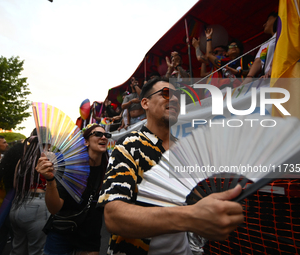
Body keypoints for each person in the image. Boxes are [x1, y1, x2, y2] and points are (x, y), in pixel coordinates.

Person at [97, 76, 244, 255]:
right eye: (166, 93)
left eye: (176, 96)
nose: (174, 99)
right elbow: (114, 217)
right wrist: (191, 216)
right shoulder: (129, 145)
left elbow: (196, 198)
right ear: (145, 103)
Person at [36, 123, 110, 255]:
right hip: (62, 233)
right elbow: (54, 208)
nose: (104, 137)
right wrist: (50, 180)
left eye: (106, 135)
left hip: (90, 236)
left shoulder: (109, 170)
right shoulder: (72, 168)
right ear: (86, 142)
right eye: (98, 134)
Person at [9, 132, 49, 255]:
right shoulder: (47, 160)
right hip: (38, 206)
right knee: (37, 250)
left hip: (17, 205)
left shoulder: (22, 160)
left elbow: (16, 185)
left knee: (17, 249)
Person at [242, 12, 278, 84]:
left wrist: (273, 68)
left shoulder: (286, 32)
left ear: (276, 18)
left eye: (267, 20)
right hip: (269, 78)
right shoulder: (266, 43)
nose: (264, 24)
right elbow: (259, 61)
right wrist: (249, 77)